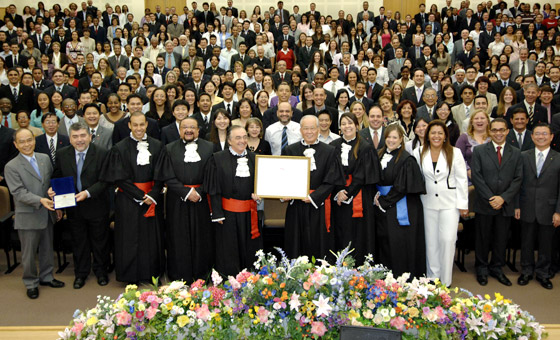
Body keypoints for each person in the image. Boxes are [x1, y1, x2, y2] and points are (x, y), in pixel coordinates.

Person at [100, 112, 164, 283]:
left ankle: (151, 273)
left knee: (150, 238)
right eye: (135, 125)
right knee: (129, 238)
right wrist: (140, 195)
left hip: (152, 199)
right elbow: (119, 177)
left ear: (146, 125)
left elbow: (161, 174)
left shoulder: (157, 146)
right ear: (129, 125)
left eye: (141, 125)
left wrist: (153, 194)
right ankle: (130, 276)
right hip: (128, 200)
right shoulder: (119, 148)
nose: (138, 128)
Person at [4, 128, 64, 299]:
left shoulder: (44, 159)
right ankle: (31, 283)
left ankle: (47, 277)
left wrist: (56, 202)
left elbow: (49, 185)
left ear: (34, 140)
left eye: (29, 140)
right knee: (29, 254)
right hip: (28, 214)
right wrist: (40, 200)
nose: (26, 144)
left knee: (47, 248)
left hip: (47, 212)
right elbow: (18, 193)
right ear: (15, 144)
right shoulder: (11, 166)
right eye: (21, 141)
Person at [50, 121, 110, 289]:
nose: (79, 140)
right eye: (75, 137)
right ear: (69, 139)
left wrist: (88, 193)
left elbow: (106, 180)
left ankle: (101, 271)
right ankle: (81, 273)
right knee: (79, 242)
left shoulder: (102, 153)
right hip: (73, 208)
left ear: (90, 137)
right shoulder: (62, 154)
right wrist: (52, 189)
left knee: (100, 241)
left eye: (83, 136)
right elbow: (57, 176)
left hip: (97, 204)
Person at [155, 117, 214, 283]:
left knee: (202, 237)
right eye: (185, 127)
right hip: (177, 200)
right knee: (178, 237)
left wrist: (199, 191)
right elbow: (166, 174)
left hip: (201, 200)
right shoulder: (169, 148)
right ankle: (180, 275)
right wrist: (186, 192)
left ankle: (202, 274)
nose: (189, 130)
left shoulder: (209, 147)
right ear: (179, 130)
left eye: (192, 127)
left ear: (198, 130)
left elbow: (212, 175)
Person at [414, 120, 468, 287]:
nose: (436, 136)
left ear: (445, 136)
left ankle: (446, 280)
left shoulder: (455, 152)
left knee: (447, 239)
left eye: (440, 133)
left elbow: (461, 179)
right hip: (427, 203)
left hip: (450, 203)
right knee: (431, 242)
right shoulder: (418, 152)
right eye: (433, 133)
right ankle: (432, 277)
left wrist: (463, 204)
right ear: (427, 135)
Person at [282, 115, 345, 259]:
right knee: (296, 243)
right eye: (305, 128)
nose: (309, 132)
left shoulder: (330, 151)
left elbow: (331, 179)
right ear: (300, 130)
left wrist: (313, 197)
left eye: (312, 128)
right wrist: (284, 193)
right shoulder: (290, 150)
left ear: (318, 129)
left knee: (319, 244)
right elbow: (283, 176)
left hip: (319, 205)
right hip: (296, 205)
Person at [204, 125, 262, 276]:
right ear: (229, 141)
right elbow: (213, 189)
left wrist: (259, 192)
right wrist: (217, 213)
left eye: (244, 137)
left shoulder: (255, 158)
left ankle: (250, 279)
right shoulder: (217, 158)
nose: (242, 141)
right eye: (238, 138)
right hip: (227, 213)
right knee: (228, 248)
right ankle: (229, 280)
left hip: (250, 213)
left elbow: (262, 183)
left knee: (249, 247)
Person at [471, 118, 522, 287]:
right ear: (489, 132)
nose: (498, 133)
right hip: (485, 203)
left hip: (505, 203)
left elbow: (518, 178)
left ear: (507, 131)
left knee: (501, 238)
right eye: (495, 130)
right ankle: (482, 269)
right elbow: (476, 177)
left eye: (502, 130)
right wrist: (491, 198)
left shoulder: (516, 152)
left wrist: (503, 198)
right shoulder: (479, 151)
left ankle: (497, 268)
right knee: (483, 238)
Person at [374, 123, 426, 278]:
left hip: (400, 206)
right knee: (384, 242)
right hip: (381, 204)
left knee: (399, 244)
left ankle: (401, 278)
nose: (391, 140)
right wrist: (376, 196)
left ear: (401, 139)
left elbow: (402, 186)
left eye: (395, 137)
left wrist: (384, 201)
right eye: (389, 137)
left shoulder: (406, 159)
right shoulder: (378, 154)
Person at [330, 112, 380, 262]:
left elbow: (362, 175)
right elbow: (331, 172)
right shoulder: (333, 146)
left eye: (350, 123)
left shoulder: (366, 147)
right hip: (338, 197)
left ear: (357, 126)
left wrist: (347, 193)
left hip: (359, 196)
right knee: (341, 231)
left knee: (358, 232)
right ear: (340, 127)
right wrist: (339, 191)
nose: (347, 127)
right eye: (343, 124)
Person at [516, 123, 560, 290]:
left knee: (546, 244)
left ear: (551, 137)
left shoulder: (558, 158)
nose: (541, 137)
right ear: (532, 137)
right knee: (526, 241)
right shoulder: (523, 156)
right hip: (526, 206)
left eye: (544, 134)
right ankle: (526, 271)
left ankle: (543, 273)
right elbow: (517, 182)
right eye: (537, 134)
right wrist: (516, 206)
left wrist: (558, 211)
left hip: (549, 209)